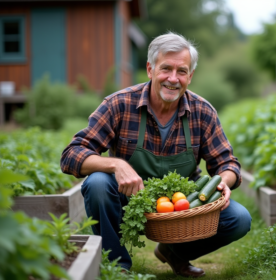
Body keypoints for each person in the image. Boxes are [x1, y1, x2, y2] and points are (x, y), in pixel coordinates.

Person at [60, 32, 251, 278]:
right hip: (130, 202)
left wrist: (223, 181)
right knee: (97, 183)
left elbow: (227, 162)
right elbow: (71, 154)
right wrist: (115, 165)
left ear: (190, 77)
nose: (173, 79)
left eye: (181, 71)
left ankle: (175, 253)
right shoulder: (119, 104)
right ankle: (116, 266)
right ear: (150, 69)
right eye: (165, 69)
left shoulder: (202, 112)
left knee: (239, 218)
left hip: (183, 203)